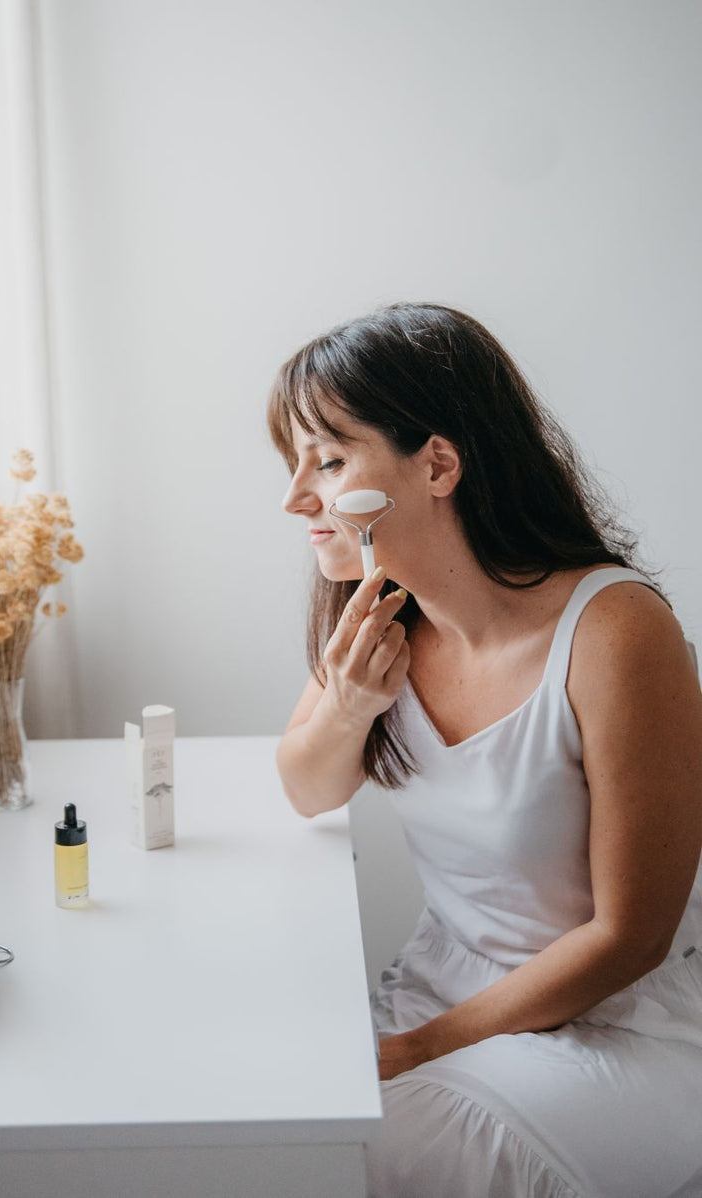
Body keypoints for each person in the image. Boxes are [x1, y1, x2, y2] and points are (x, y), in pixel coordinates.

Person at [267, 302, 702, 1198]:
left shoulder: (616, 631)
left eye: (331, 459)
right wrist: (349, 707)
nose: (296, 497)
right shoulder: (382, 616)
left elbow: (632, 936)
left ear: (437, 464)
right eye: (293, 463)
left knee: (352, 1157)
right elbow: (306, 788)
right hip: (449, 991)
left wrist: (418, 1049)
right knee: (280, 1124)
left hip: (619, 1027)